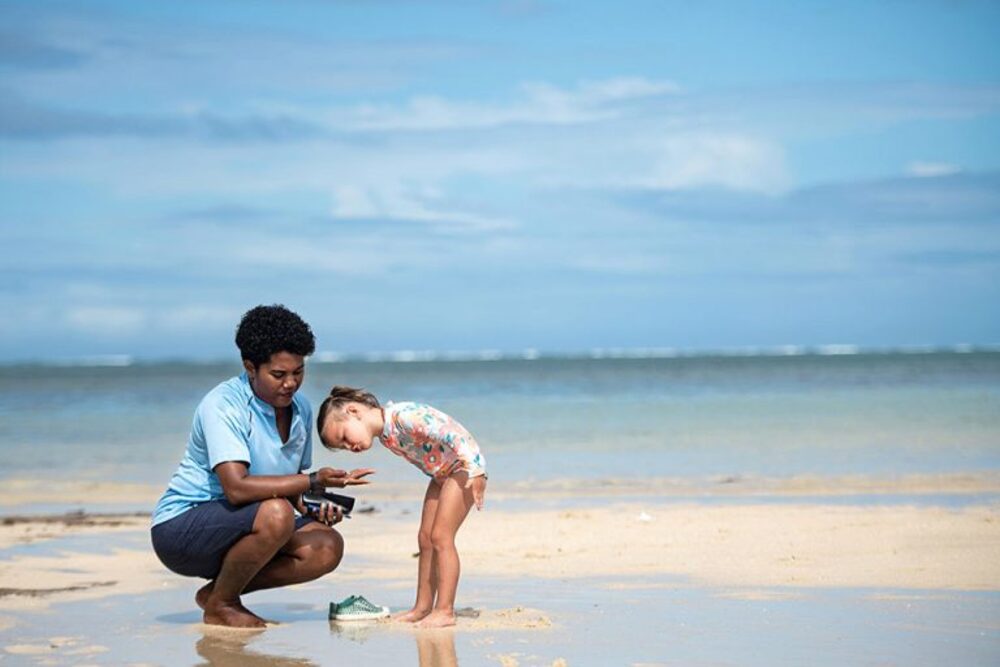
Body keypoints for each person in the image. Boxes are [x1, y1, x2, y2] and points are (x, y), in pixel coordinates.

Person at [150, 305, 374, 628]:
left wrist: (313, 508)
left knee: (326, 547)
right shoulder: (223, 405)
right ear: (250, 367)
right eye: (279, 375)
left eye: (298, 372)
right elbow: (237, 489)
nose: (291, 384)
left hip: (250, 523)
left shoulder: (302, 410)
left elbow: (288, 488)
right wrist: (310, 481)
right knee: (276, 514)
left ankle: (217, 593)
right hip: (182, 529)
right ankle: (223, 605)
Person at [316, 386, 487, 628]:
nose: (349, 448)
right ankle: (422, 607)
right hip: (441, 474)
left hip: (464, 469)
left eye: (344, 437)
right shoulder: (387, 435)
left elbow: (454, 435)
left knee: (441, 537)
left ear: (353, 411)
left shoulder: (403, 417)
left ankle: (445, 610)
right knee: (425, 539)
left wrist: (476, 469)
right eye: (343, 447)